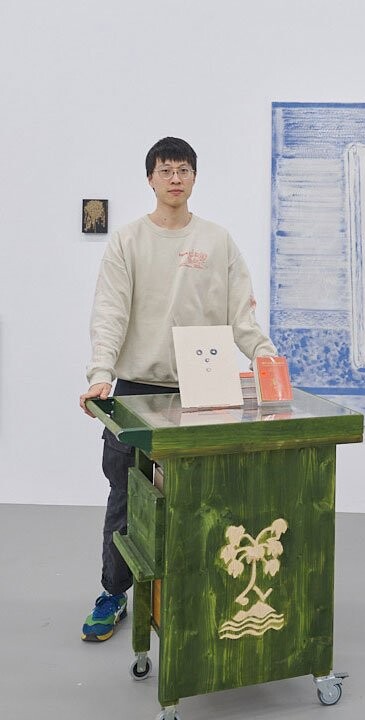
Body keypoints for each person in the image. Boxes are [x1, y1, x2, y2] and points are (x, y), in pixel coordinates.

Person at [78, 137, 277, 641]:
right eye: (165, 170)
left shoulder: (217, 240)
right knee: (127, 495)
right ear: (150, 178)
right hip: (135, 391)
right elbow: (110, 313)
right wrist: (100, 374)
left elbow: (242, 314)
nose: (174, 178)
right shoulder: (127, 240)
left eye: (183, 170)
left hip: (203, 388)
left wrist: (265, 354)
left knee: (204, 496)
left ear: (193, 178)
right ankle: (113, 594)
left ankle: (199, 590)